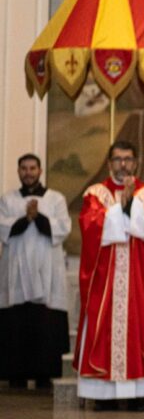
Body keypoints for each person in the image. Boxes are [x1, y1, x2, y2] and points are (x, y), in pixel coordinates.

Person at [74, 141, 144, 411]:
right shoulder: (96, 192)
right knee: (103, 327)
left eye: (128, 159)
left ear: (136, 162)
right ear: (109, 164)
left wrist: (132, 206)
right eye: (117, 159)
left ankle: (140, 394)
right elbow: (90, 225)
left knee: (141, 326)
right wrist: (121, 208)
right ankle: (104, 395)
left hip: (139, 278)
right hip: (105, 278)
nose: (123, 165)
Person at [0, 154, 71, 390]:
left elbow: (63, 228)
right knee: (16, 322)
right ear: (18, 171)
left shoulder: (56, 199)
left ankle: (44, 375)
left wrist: (38, 217)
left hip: (47, 268)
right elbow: (3, 227)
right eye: (24, 168)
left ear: (40, 171)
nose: (28, 172)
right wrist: (26, 218)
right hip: (16, 270)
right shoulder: (8, 199)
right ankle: (15, 375)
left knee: (45, 322)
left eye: (32, 168)